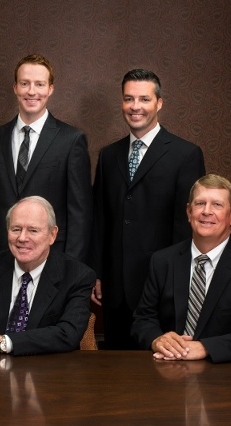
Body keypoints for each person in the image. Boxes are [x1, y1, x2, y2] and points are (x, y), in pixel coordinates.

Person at [91, 68, 206, 349]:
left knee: (161, 378)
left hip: (163, 288)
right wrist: (96, 273)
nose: (135, 107)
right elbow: (100, 219)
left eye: (144, 99)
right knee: (116, 378)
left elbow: (188, 226)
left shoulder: (186, 155)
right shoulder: (108, 155)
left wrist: (178, 282)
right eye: (129, 99)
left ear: (159, 103)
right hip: (115, 290)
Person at [132, 174, 231, 363]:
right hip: (167, 372)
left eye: (217, 205)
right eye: (199, 204)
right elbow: (143, 320)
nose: (207, 211)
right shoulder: (162, 261)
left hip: (228, 380)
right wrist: (157, 339)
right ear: (189, 212)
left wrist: (207, 347)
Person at [0, 54, 92, 262]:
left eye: (39, 84)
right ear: (15, 88)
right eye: (25, 83)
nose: (31, 91)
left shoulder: (71, 141)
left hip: (52, 259)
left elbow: (79, 215)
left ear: (50, 89)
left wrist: (71, 269)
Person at [0, 196, 95, 357]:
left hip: (49, 373)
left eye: (33, 230)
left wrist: (1, 341)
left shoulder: (77, 275)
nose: (22, 238)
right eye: (16, 229)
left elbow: (68, 334)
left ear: (52, 235)